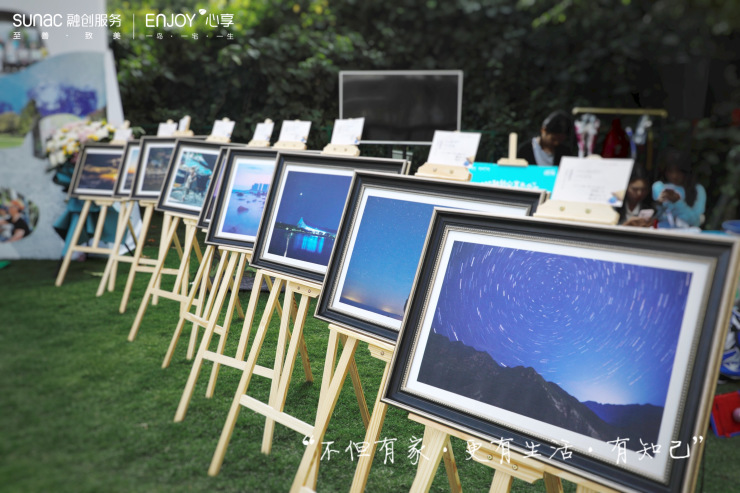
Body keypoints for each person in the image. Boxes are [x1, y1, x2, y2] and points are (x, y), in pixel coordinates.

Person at [652, 149, 706, 228]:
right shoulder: (658, 186)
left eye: (678, 171)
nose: (674, 176)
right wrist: (658, 204)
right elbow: (656, 218)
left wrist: (677, 202)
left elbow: (695, 221)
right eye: (670, 171)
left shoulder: (698, 189)